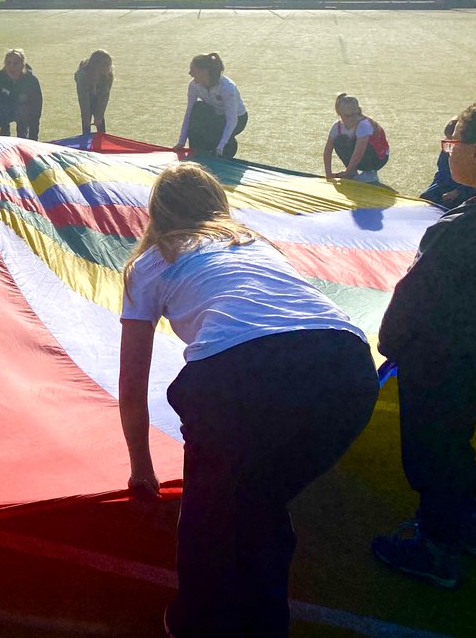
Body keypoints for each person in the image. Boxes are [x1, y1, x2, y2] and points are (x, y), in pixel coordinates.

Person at [118, 162, 378, 637]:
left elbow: (131, 386)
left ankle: (197, 623)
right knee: (259, 503)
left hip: (239, 377)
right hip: (347, 367)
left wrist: (141, 467)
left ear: (157, 212)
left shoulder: (151, 263)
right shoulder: (250, 241)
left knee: (208, 519)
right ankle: (265, 623)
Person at [372, 96, 476, 589]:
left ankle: (436, 548)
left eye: (453, 143)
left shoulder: (458, 232)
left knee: (429, 454)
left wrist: (391, 343)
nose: (449, 152)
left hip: (435, 363)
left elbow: (411, 306)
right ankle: (467, 524)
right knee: (455, 441)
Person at [174, 52, 248, 158]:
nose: (190, 73)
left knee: (216, 138)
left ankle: (228, 146)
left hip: (237, 119)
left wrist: (220, 147)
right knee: (198, 108)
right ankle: (196, 151)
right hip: (215, 115)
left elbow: (232, 120)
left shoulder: (227, 88)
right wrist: (181, 142)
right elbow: (189, 114)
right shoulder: (193, 86)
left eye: (193, 70)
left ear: (204, 72)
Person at [323, 93, 390, 182]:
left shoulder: (364, 125)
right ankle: (353, 173)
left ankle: (370, 173)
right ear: (339, 114)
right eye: (347, 116)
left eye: (354, 115)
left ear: (358, 111)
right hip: (360, 154)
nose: (351, 119)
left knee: (357, 145)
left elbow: (359, 153)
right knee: (339, 140)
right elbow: (327, 151)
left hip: (378, 157)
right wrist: (328, 174)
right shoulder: (336, 127)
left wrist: (346, 172)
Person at [0, 49, 43, 140]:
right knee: (1, 110)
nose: (11, 67)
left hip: (23, 112)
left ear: (22, 64)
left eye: (15, 63)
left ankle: (23, 137)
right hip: (4, 111)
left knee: (23, 113)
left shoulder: (31, 81)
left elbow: (36, 110)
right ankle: (5, 133)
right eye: (8, 63)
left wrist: (33, 139)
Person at [420, 118, 475, 209]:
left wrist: (458, 192)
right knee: (426, 199)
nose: (448, 142)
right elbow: (441, 172)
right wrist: (434, 189)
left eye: (452, 139)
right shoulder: (447, 149)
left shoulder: (473, 154)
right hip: (447, 185)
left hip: (466, 189)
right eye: (447, 138)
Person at [74, 50, 114, 135]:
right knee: (86, 118)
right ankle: (85, 138)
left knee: (99, 117)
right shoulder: (83, 75)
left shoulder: (109, 75)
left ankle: (102, 137)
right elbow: (83, 100)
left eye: (109, 65)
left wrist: (98, 117)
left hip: (98, 89)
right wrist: (86, 121)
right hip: (85, 89)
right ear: (96, 65)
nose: (108, 68)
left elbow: (104, 97)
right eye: (105, 65)